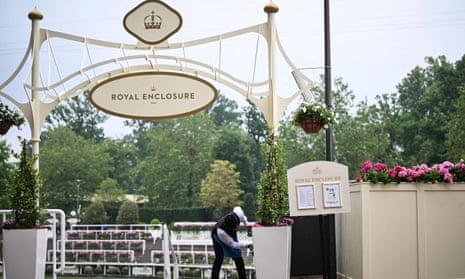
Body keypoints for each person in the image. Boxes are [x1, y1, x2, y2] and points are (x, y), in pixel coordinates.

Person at [211, 206, 253, 279]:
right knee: (219, 258)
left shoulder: (238, 213)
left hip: (230, 235)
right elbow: (233, 244)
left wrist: (247, 224)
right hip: (218, 237)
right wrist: (247, 244)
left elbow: (243, 217)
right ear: (231, 227)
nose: (237, 227)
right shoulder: (222, 233)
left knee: (238, 256)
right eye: (236, 227)